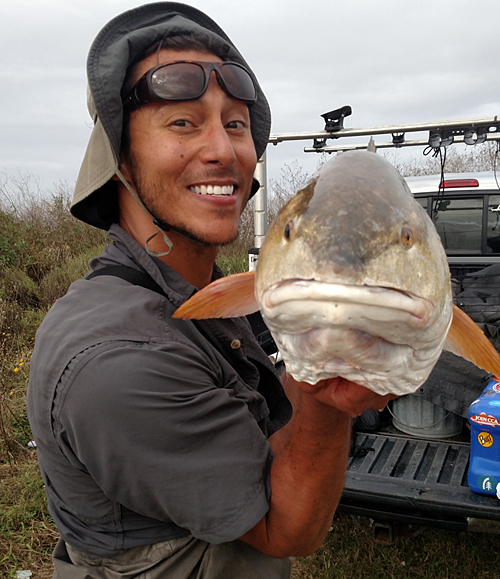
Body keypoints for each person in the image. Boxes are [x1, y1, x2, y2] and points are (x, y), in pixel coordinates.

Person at [27, 3, 392, 578]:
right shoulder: (120, 361)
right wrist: (328, 398)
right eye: (182, 123)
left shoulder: (199, 292)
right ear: (120, 157)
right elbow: (285, 529)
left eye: (236, 124)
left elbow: (264, 441)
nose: (224, 150)